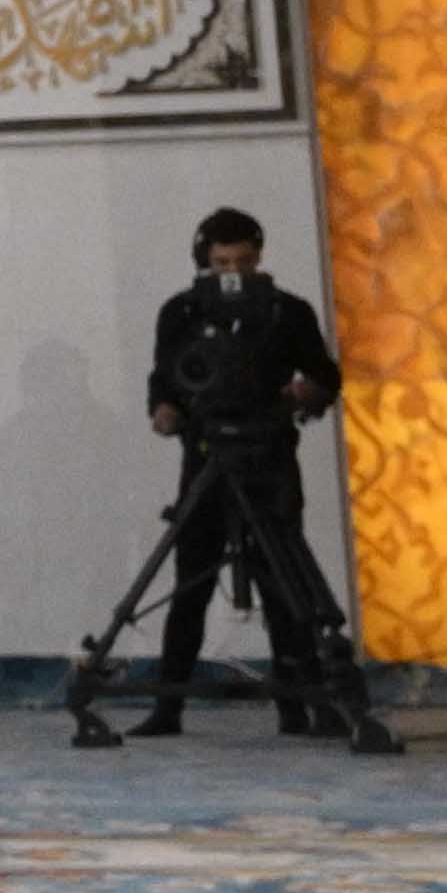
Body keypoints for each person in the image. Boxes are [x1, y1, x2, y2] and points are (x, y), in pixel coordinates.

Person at [135, 203, 391, 751]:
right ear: (204, 260)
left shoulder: (287, 312)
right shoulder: (179, 313)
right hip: (205, 458)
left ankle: (300, 705)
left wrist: (306, 393)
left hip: (269, 455)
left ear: (259, 258)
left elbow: (326, 375)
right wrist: (164, 411)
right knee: (191, 581)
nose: (233, 272)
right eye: (221, 261)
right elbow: (165, 380)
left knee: (283, 582)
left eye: (243, 261)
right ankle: (168, 704)